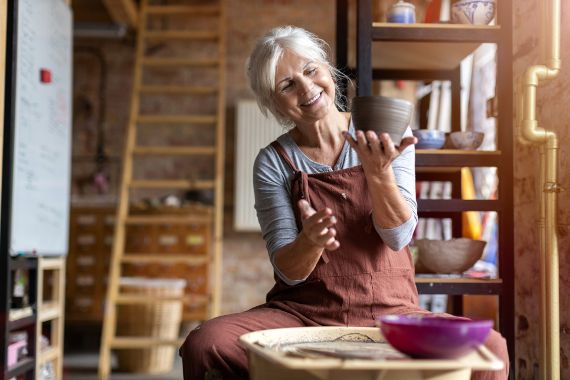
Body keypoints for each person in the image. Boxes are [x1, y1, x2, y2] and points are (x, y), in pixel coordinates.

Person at [180, 25, 509, 380]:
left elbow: (399, 237)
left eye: (310, 71)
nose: (307, 89)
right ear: (274, 103)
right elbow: (289, 270)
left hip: (392, 312)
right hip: (304, 314)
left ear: (327, 70)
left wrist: (379, 173)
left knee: (490, 348)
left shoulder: (386, 132)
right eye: (287, 85)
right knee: (206, 343)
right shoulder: (273, 162)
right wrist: (309, 242)